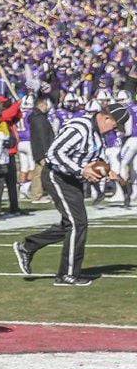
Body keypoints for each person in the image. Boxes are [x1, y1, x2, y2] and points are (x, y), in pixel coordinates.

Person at [13, 103, 128, 287]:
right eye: (114, 125)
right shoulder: (80, 127)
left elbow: (93, 158)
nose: (112, 130)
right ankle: (67, 275)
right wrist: (81, 170)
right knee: (78, 223)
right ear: (107, 118)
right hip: (57, 176)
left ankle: (28, 246)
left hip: (71, 179)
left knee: (71, 224)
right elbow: (53, 153)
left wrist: (106, 170)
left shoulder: (98, 134)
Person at [28, 94, 55, 204]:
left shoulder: (37, 117)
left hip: (39, 150)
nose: (46, 106)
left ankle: (36, 195)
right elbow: (42, 136)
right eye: (45, 104)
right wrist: (46, 152)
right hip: (43, 151)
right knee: (48, 174)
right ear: (41, 104)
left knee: (38, 173)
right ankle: (51, 195)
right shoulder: (39, 118)